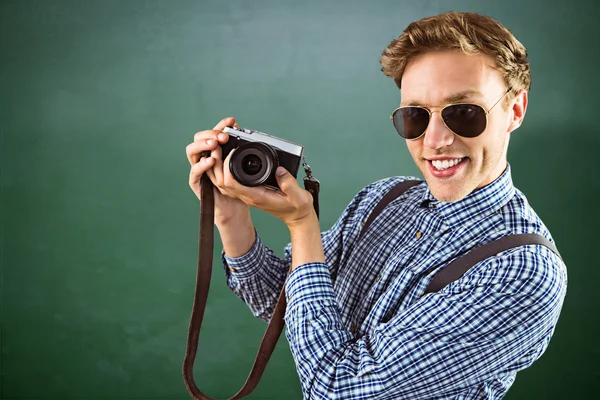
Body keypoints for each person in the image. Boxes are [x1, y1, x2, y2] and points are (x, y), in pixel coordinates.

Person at [185, 11, 567, 399]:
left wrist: (303, 226)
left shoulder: (523, 272)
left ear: (515, 110)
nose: (434, 140)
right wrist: (231, 218)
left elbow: (336, 389)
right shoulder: (384, 199)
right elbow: (284, 302)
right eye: (415, 116)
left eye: (464, 113)